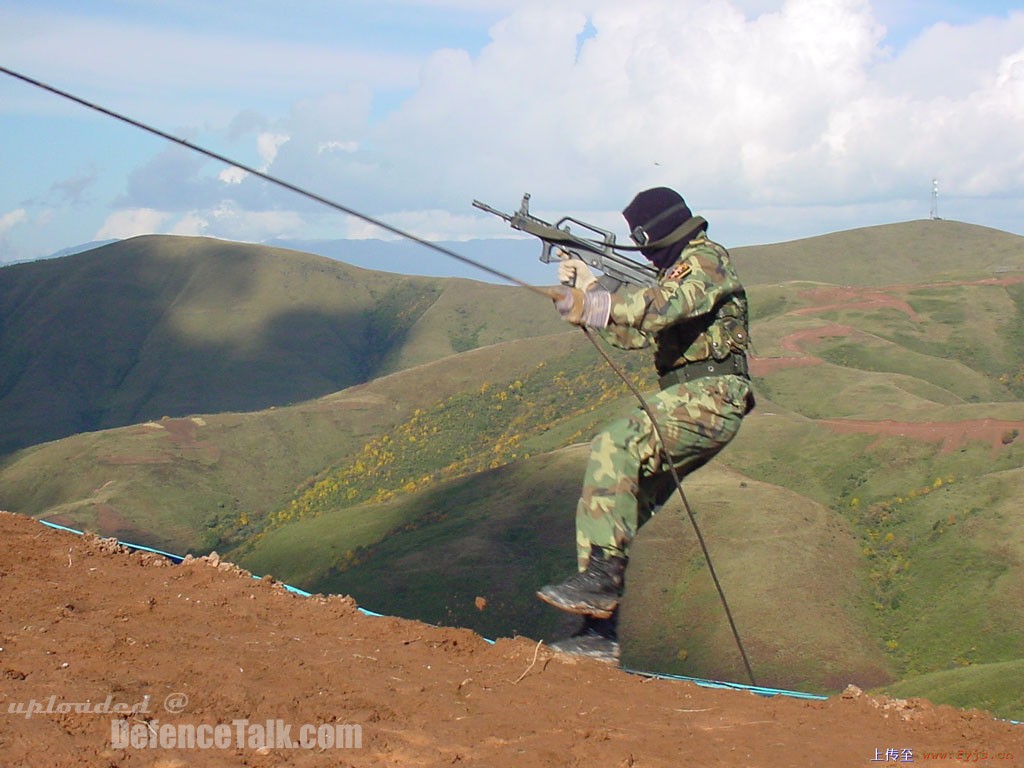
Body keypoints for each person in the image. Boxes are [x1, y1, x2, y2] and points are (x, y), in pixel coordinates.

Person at [537, 187, 755, 664]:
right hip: (686, 396)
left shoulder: (706, 261)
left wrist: (593, 303)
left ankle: (599, 588)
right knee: (615, 501)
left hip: (713, 394)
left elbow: (660, 308)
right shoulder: (676, 272)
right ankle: (598, 634)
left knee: (615, 447)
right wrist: (590, 295)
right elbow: (633, 334)